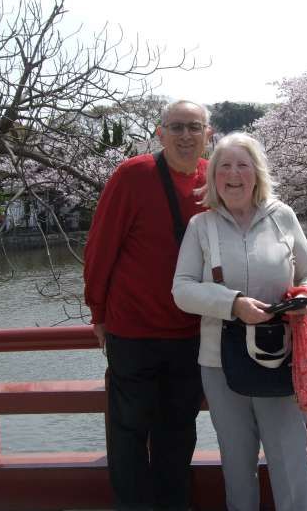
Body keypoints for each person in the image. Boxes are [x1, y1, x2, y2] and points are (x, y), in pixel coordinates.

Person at [172, 132, 307, 511]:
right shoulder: (201, 227)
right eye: (224, 166)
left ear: (257, 173)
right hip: (220, 362)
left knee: (290, 456)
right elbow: (182, 290)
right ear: (213, 177)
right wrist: (233, 304)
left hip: (280, 355)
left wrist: (306, 297)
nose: (233, 175)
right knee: (237, 461)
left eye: (243, 165)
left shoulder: (282, 217)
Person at [83, 100, 213, 511]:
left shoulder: (216, 177)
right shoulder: (133, 174)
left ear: (209, 134)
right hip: (133, 331)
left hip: (192, 334)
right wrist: (97, 311)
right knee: (129, 435)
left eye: (195, 127)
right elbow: (101, 247)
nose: (186, 135)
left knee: (178, 434)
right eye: (176, 127)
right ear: (160, 133)